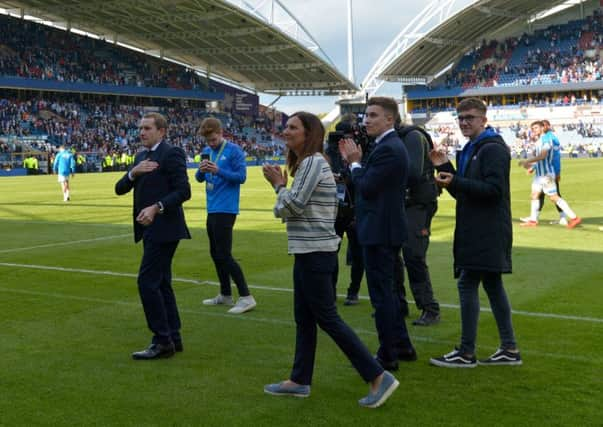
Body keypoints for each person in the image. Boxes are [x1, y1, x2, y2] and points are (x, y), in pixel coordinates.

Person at [262, 111, 398, 408]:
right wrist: (284, 193)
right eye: (286, 126)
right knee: (305, 319)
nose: (286, 131)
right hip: (308, 251)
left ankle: (377, 375)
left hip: (316, 253)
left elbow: (291, 206)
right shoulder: (308, 164)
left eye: (293, 127)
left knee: (327, 318)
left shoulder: (312, 162)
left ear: (309, 133)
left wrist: (278, 186)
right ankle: (299, 380)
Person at [428, 98, 521, 368]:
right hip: (478, 226)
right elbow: (464, 193)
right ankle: (509, 348)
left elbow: (494, 191)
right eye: (460, 118)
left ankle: (467, 352)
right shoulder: (471, 148)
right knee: (492, 285)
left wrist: (455, 179)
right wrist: (445, 169)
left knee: (467, 283)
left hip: (487, 229)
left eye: (470, 117)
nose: (464, 122)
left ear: (484, 119)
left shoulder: (492, 149)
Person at [339, 97, 416, 372]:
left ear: (389, 119)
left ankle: (387, 355)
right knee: (391, 292)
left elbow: (367, 187)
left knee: (382, 295)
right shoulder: (388, 146)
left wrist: (355, 163)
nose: (366, 120)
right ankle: (402, 346)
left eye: (373, 115)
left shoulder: (389, 149)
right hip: (385, 228)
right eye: (366, 115)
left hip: (380, 230)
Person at [115, 112, 191, 360]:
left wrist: (157, 207)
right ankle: (173, 336)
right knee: (161, 283)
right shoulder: (140, 157)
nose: (142, 132)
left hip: (165, 228)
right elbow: (119, 189)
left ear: (162, 131)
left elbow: (184, 191)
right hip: (148, 229)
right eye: (140, 128)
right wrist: (132, 173)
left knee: (147, 282)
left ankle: (161, 340)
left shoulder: (171, 153)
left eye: (147, 128)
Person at [195, 117, 257, 314]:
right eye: (208, 141)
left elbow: (241, 177)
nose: (211, 143)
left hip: (226, 208)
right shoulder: (207, 152)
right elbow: (199, 179)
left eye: (213, 139)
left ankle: (246, 297)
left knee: (224, 254)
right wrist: (201, 171)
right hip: (212, 207)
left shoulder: (234, 151)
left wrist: (219, 170)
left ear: (221, 133)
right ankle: (226, 294)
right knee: (215, 253)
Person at [396, 122, 441, 326]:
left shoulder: (412, 137)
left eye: (373, 115)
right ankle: (398, 304)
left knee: (413, 254)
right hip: (403, 203)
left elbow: (413, 172)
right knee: (391, 254)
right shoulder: (400, 137)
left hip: (417, 203)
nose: (367, 121)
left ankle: (429, 307)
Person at [518, 121, 581, 229]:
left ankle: (574, 218)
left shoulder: (546, 139)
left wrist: (527, 161)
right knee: (534, 195)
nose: (534, 130)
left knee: (554, 197)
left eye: (536, 128)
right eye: (533, 128)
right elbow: (540, 160)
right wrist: (531, 166)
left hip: (546, 175)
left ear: (542, 128)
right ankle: (533, 220)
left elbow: (543, 156)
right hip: (539, 175)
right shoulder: (539, 141)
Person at [526, 120, 566, 225]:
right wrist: (534, 167)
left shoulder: (550, 138)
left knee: (554, 195)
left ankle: (565, 217)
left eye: (544, 126)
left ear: (546, 127)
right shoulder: (546, 138)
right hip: (545, 171)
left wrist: (557, 172)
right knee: (539, 195)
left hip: (548, 172)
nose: (543, 127)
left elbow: (554, 158)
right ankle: (534, 217)